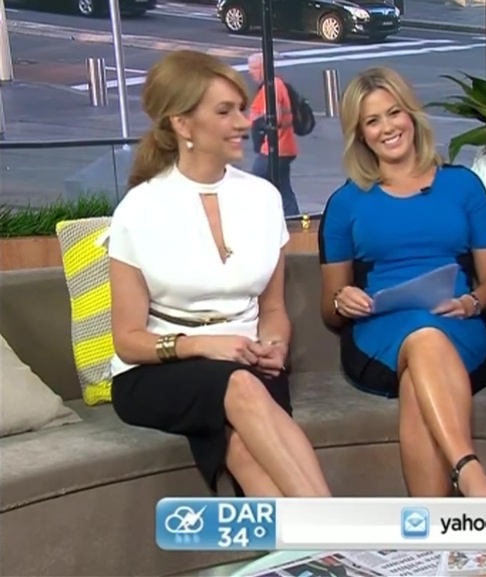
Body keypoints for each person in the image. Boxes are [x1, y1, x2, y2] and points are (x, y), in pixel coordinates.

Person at [107, 50, 331, 498]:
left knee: (243, 444)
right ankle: (334, 525)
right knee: (240, 387)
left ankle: (316, 540)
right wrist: (202, 345)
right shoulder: (139, 209)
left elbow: (272, 309)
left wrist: (275, 345)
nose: (245, 123)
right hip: (159, 371)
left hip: (248, 361)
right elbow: (127, 340)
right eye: (225, 112)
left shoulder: (264, 198)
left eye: (241, 109)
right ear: (183, 124)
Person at [318, 67, 486, 498]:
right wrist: (344, 300)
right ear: (360, 135)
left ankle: (431, 530)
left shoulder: (464, 186)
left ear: (411, 115)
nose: (387, 128)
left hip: (457, 322)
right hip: (379, 336)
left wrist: (472, 303)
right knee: (423, 337)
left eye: (393, 113)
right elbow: (329, 306)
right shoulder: (345, 203)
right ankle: (470, 472)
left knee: (419, 376)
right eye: (372, 121)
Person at [248, 53, 300, 217]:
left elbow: (274, 117)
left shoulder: (272, 87)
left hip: (275, 147)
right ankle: (292, 218)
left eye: (253, 68)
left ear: (263, 68)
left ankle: (258, 218)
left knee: (255, 184)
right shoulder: (275, 85)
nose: (250, 72)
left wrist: (259, 123)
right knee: (283, 187)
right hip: (284, 147)